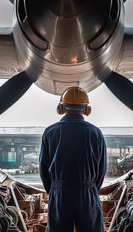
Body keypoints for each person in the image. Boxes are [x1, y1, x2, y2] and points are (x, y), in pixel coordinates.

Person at [39, 86, 107, 232]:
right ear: (86, 109)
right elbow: (102, 169)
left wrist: (54, 190)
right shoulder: (96, 133)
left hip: (60, 193)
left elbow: (43, 168)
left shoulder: (50, 132)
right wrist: (91, 189)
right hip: (87, 192)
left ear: (61, 107)